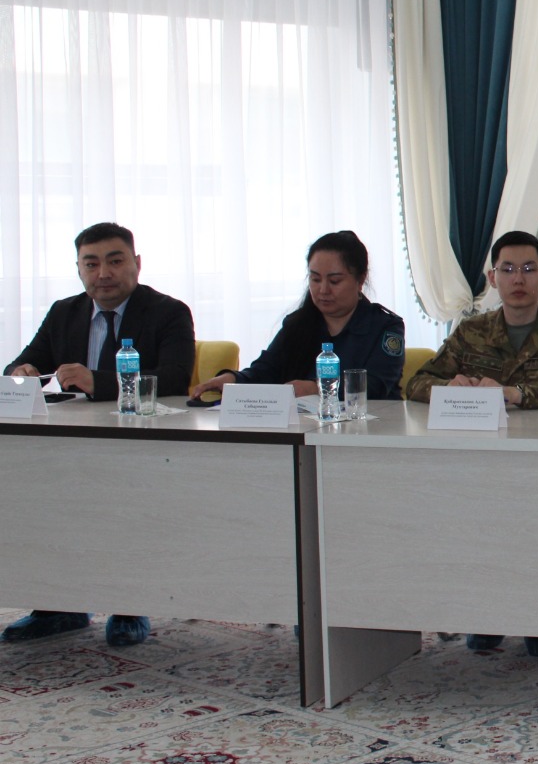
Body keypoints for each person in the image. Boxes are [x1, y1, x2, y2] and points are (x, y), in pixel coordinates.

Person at [407, 229, 538, 658]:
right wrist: (449, 387)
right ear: (492, 278)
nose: (518, 279)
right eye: (508, 269)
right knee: (482, 540)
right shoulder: (471, 331)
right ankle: (487, 616)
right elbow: (417, 382)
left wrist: (516, 394)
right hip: (482, 464)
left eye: (529, 269)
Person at [4, 222, 196, 648]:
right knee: (40, 494)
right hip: (71, 444)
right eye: (91, 264)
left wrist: (99, 381)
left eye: (115, 261)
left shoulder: (168, 311)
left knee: (122, 504)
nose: (103, 273)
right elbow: (21, 364)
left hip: (142, 442)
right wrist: (21, 372)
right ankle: (58, 606)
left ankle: (129, 605)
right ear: (79, 270)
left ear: (136, 264)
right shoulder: (64, 312)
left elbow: (175, 378)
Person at [189, 230, 404, 402]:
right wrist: (232, 380)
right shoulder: (298, 324)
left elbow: (375, 386)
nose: (323, 290)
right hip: (304, 428)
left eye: (335, 281)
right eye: (315, 279)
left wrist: (317, 389)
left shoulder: (385, 327)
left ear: (360, 279)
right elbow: (267, 370)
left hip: (369, 429)